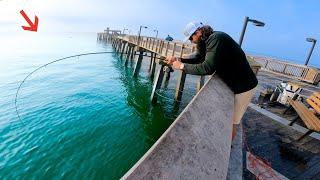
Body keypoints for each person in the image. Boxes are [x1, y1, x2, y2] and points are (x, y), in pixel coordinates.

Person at [165, 21, 258, 140]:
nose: (191, 41)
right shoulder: (205, 41)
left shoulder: (217, 38)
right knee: (227, 117)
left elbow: (207, 68)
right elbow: (199, 57)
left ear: (198, 32)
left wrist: (182, 66)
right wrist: (179, 59)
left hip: (245, 87)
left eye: (191, 37)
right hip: (233, 84)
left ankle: (227, 148)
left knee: (233, 122)